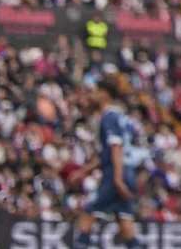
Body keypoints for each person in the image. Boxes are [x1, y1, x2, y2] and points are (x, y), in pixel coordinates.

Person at [73, 83, 143, 249]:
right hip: (127, 170)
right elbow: (108, 153)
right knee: (125, 221)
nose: (92, 95)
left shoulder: (109, 117)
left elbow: (115, 148)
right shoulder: (120, 117)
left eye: (96, 91)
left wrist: (117, 179)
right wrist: (83, 171)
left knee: (88, 213)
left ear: (105, 94)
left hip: (115, 172)